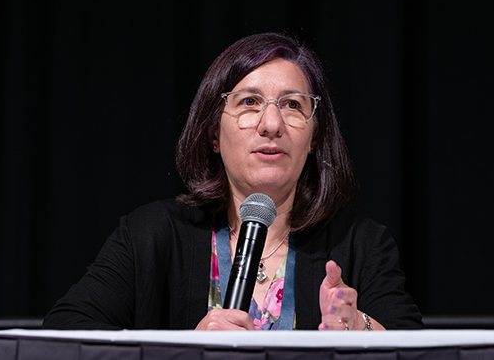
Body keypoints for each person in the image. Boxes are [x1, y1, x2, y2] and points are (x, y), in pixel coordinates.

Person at [43, 32, 423, 331]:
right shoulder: (150, 234)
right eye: (248, 103)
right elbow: (63, 332)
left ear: (313, 139)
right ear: (212, 134)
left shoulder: (361, 243)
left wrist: (360, 329)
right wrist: (186, 351)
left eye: (293, 105)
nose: (271, 124)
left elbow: (417, 346)